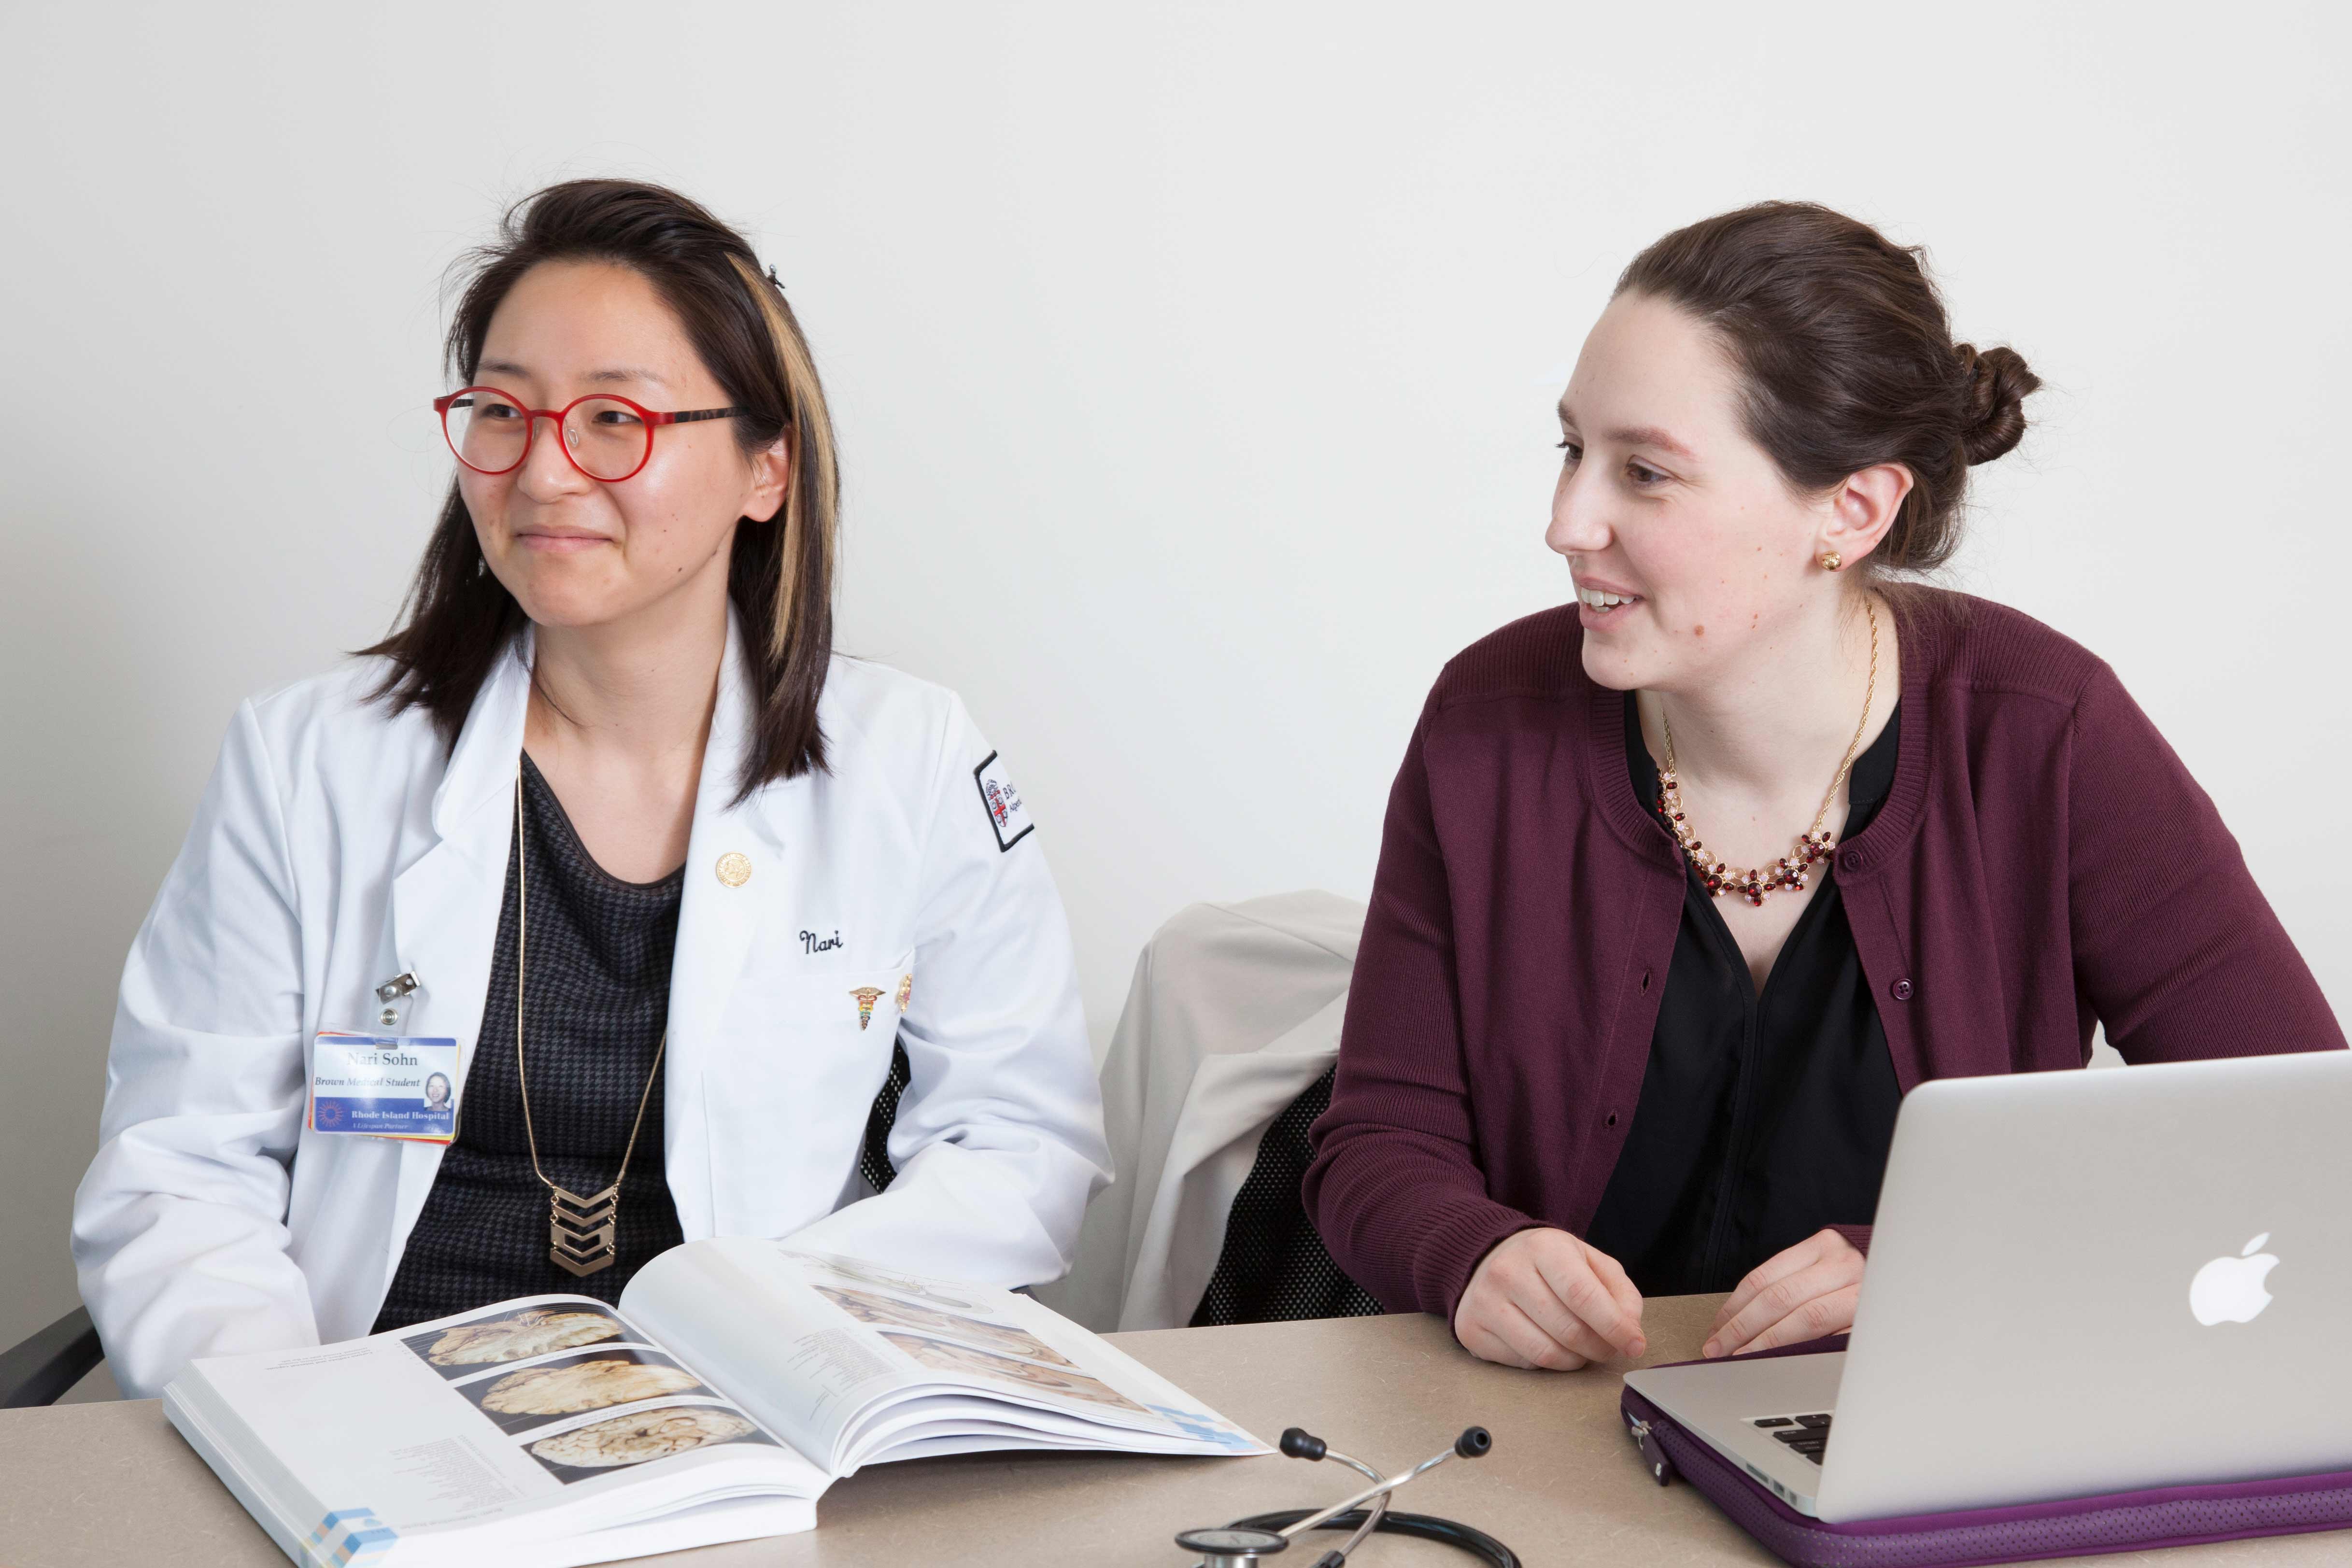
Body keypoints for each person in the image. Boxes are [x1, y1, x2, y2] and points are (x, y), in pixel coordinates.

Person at [71, 180, 1110, 1400]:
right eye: (503, 411)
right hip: (363, 1408)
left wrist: (768, 1332)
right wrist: (289, 1418)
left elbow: (1016, 1145)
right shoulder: (308, 762)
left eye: (616, 418)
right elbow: (179, 1168)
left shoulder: (911, 760)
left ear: (765, 467)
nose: (546, 474)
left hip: (746, 1402)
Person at [1304, 201, 2346, 1373]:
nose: (1565, 522)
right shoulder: (1485, 721)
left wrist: (1945, 1259)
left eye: (1643, 472)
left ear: (1848, 511)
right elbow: (1379, 1140)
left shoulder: (2044, 734)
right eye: (1570, 450)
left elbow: (2291, 1141)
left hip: (1923, 1428)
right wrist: (1469, 1252)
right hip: (1559, 1432)